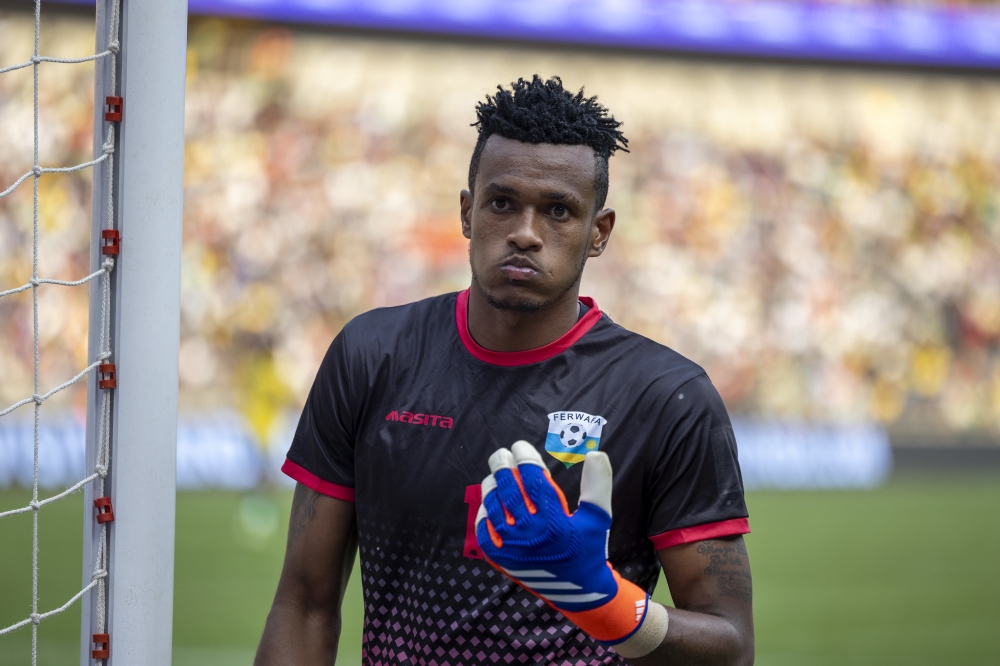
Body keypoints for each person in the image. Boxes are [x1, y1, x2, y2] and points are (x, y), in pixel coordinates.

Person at [255, 75, 754, 666]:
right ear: (467, 212)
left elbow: (732, 646)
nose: (524, 232)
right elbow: (306, 601)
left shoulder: (668, 396)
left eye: (559, 211)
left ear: (599, 233)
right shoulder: (372, 354)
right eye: (501, 203)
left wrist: (601, 600)